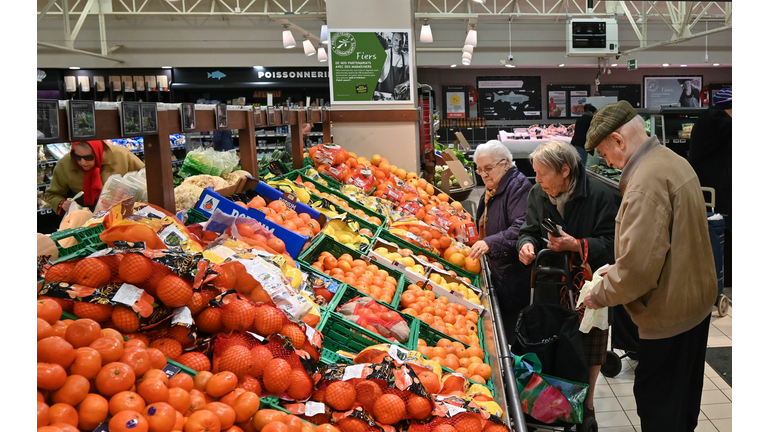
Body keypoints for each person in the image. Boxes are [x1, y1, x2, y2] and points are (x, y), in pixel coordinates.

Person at [582, 100, 717, 432]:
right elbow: (665, 245)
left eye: (604, 151)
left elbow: (639, 271)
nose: (607, 161)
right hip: (694, 305)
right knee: (683, 401)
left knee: (659, 407)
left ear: (618, 139)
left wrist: (599, 294)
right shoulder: (672, 160)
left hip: (668, 316)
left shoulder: (644, 182)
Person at [516, 139, 617, 424]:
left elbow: (613, 243)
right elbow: (529, 230)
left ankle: (588, 405)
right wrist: (525, 246)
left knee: (591, 344)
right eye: (535, 173)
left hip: (589, 286)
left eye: (542, 173)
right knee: (554, 342)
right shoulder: (538, 193)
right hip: (551, 285)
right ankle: (553, 403)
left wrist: (577, 244)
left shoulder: (599, 194)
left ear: (564, 170)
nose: (537, 180)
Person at [468, 140, 533, 339]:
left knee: (511, 331)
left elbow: (521, 227)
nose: (484, 174)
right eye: (479, 170)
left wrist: (490, 242)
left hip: (512, 272)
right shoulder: (492, 189)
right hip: (498, 269)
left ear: (505, 163)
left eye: (488, 168)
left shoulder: (518, 186)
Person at [688, 87, 732, 287]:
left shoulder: (709, 117)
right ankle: (725, 277)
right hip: (717, 189)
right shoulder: (719, 121)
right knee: (724, 232)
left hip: (707, 186)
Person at [45, 140, 145, 216]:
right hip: (83, 217)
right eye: (77, 157)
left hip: (123, 213)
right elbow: (52, 194)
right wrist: (62, 203)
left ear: (98, 153)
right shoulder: (65, 164)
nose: (82, 162)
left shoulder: (123, 157)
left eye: (89, 157)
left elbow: (149, 178)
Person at [374, 32, 410, 101]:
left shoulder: (407, 57)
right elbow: (374, 76)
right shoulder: (384, 55)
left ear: (404, 42)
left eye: (401, 41)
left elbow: (412, 77)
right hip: (384, 98)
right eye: (396, 40)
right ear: (392, 40)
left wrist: (406, 84)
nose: (398, 44)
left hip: (400, 99)